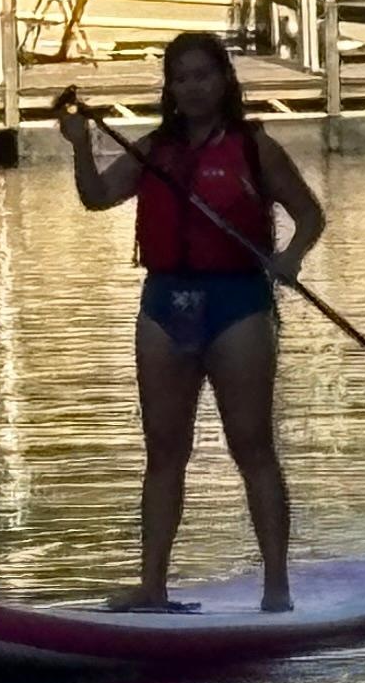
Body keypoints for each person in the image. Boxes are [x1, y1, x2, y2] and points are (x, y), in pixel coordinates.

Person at [55, 34, 326, 611]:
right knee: (164, 450)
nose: (193, 88)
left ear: (224, 80)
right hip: (164, 304)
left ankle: (276, 589)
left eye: (203, 76)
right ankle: (152, 587)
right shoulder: (155, 149)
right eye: (181, 78)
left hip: (238, 306)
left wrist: (292, 256)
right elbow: (98, 196)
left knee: (252, 446)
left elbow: (309, 215)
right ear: (170, 88)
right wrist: (80, 144)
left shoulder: (256, 148)